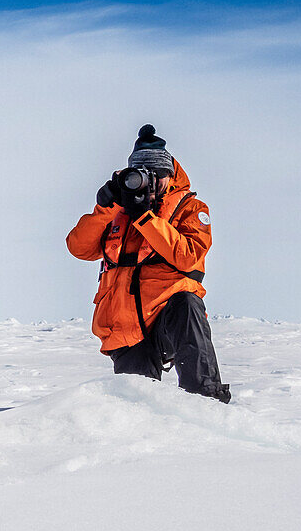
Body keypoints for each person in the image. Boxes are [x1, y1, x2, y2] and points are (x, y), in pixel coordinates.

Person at [66, 124, 230, 403]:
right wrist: (105, 209)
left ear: (171, 175)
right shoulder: (117, 212)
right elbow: (78, 248)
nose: (151, 182)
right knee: (137, 408)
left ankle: (207, 399)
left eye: (158, 176)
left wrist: (146, 218)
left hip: (168, 316)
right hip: (125, 326)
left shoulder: (191, 209)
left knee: (187, 305)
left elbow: (190, 255)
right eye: (144, 176)